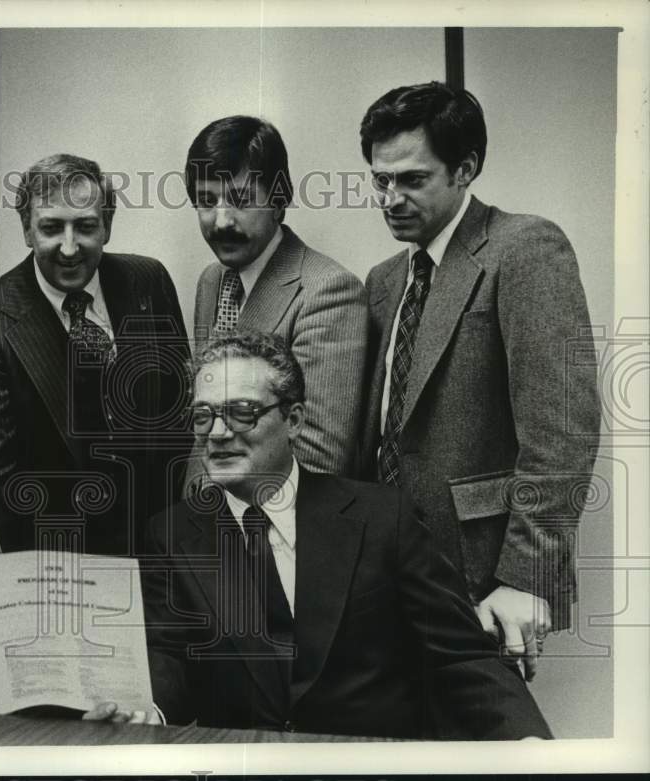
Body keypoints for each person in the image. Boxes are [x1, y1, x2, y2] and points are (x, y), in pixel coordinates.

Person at [141, 330, 552, 739]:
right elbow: (170, 658)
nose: (216, 433)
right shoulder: (173, 535)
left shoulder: (381, 517)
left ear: (294, 420)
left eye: (242, 412)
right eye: (203, 415)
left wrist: (527, 741)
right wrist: (146, 710)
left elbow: (460, 656)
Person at [357, 82, 601, 679]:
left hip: (483, 581)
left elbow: (562, 429)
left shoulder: (524, 249)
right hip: (383, 573)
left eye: (412, 179)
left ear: (465, 168)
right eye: (380, 180)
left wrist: (526, 577)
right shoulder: (385, 279)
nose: (391, 198)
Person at [0, 153, 191, 556]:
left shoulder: (149, 281)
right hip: (60, 561)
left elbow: (182, 416)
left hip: (165, 548)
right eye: (51, 228)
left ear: (108, 226)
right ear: (27, 231)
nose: (68, 247)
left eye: (85, 226)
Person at [186, 115, 367, 476]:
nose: (221, 221)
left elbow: (317, 458)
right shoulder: (211, 282)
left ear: (279, 200)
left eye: (240, 199)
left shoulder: (328, 291)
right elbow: (204, 430)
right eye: (206, 202)